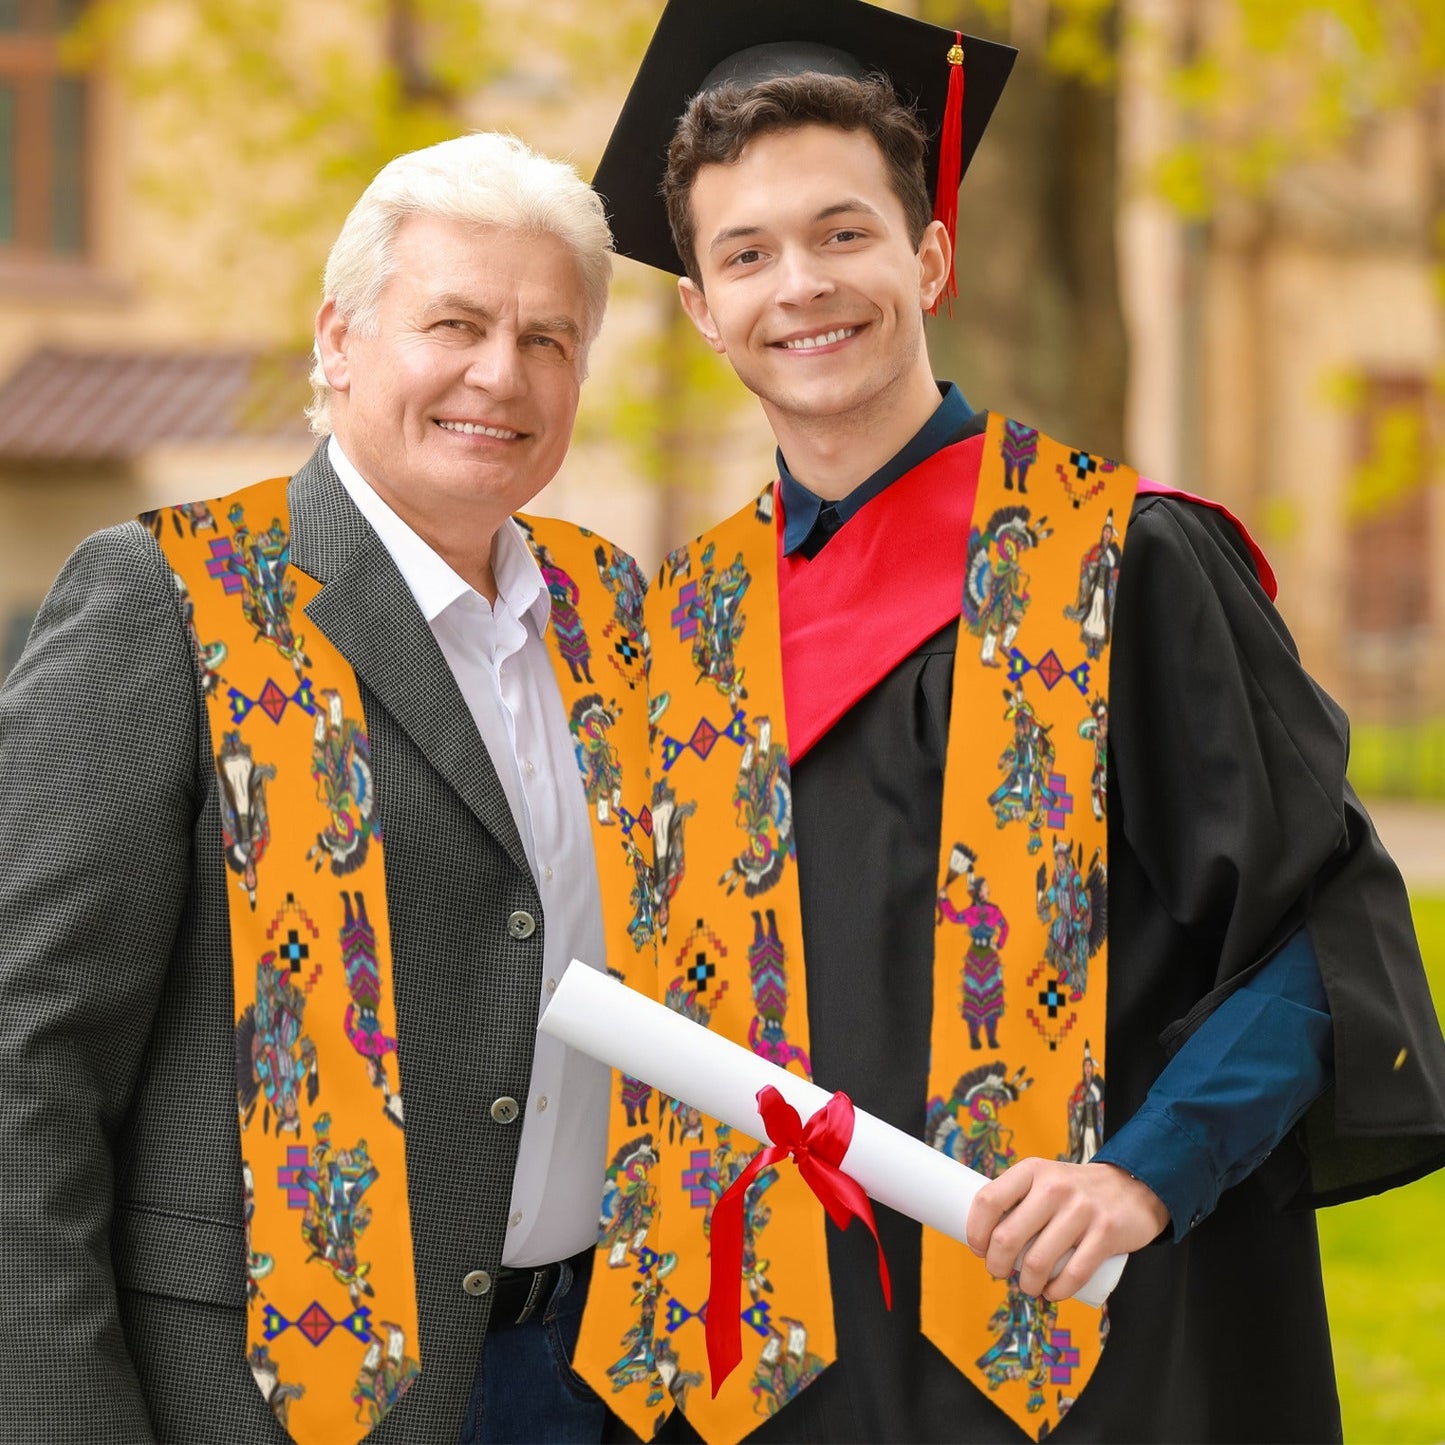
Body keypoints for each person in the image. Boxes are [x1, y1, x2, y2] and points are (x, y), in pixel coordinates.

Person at [568, 2, 1445, 1441]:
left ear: (928, 254)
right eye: (746, 254)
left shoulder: (1123, 563)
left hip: (1077, 1345)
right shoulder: (680, 634)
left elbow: (1318, 931)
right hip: (772, 1375)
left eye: (842, 233)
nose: (800, 285)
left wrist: (1144, 1173)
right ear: (701, 308)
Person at [0, 132, 657, 1445]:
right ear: (339, 339)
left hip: (589, 1379)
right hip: (262, 1399)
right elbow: (28, 1059)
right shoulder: (173, 598)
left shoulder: (611, 613)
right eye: (455, 322)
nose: (499, 373)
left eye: (546, 339)